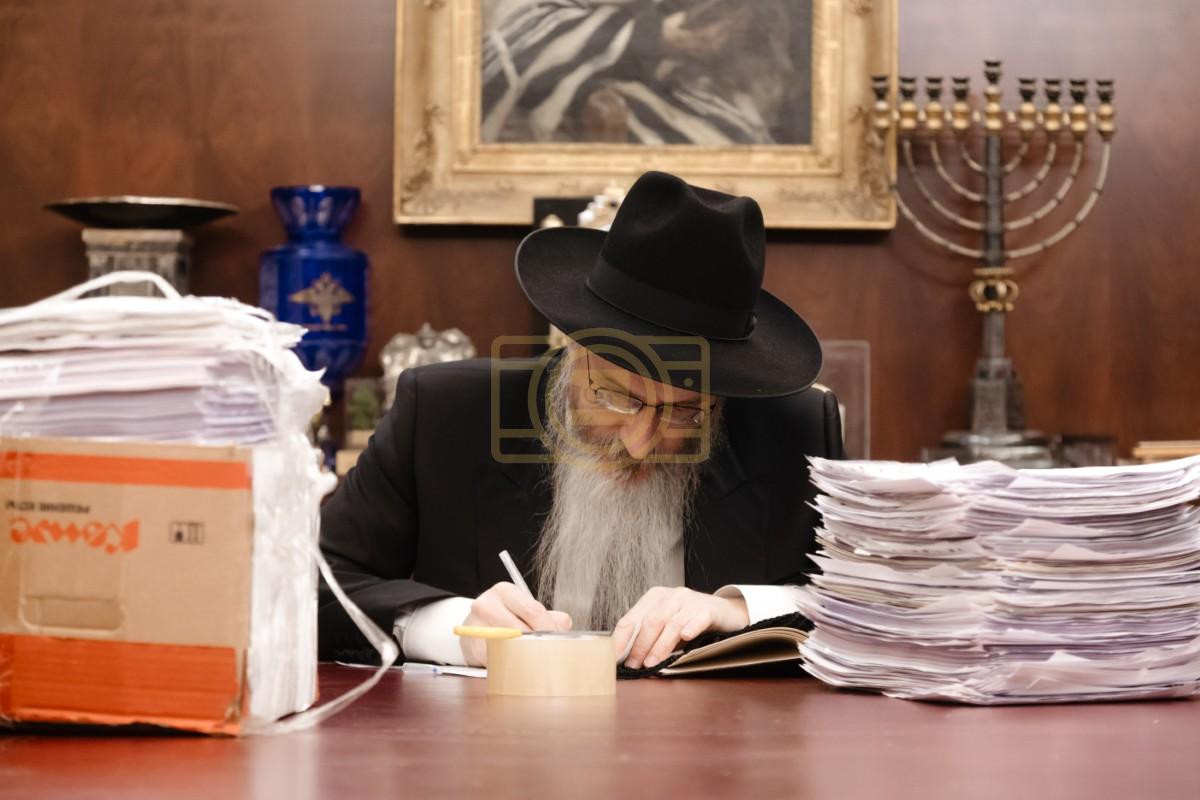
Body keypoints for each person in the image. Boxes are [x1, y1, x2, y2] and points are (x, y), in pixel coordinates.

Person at [318, 171, 843, 669]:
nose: (640, 443)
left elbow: (867, 605)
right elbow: (314, 584)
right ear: (572, 347)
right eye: (616, 397)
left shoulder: (793, 433)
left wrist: (738, 609)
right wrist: (454, 626)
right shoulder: (446, 414)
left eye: (685, 411)